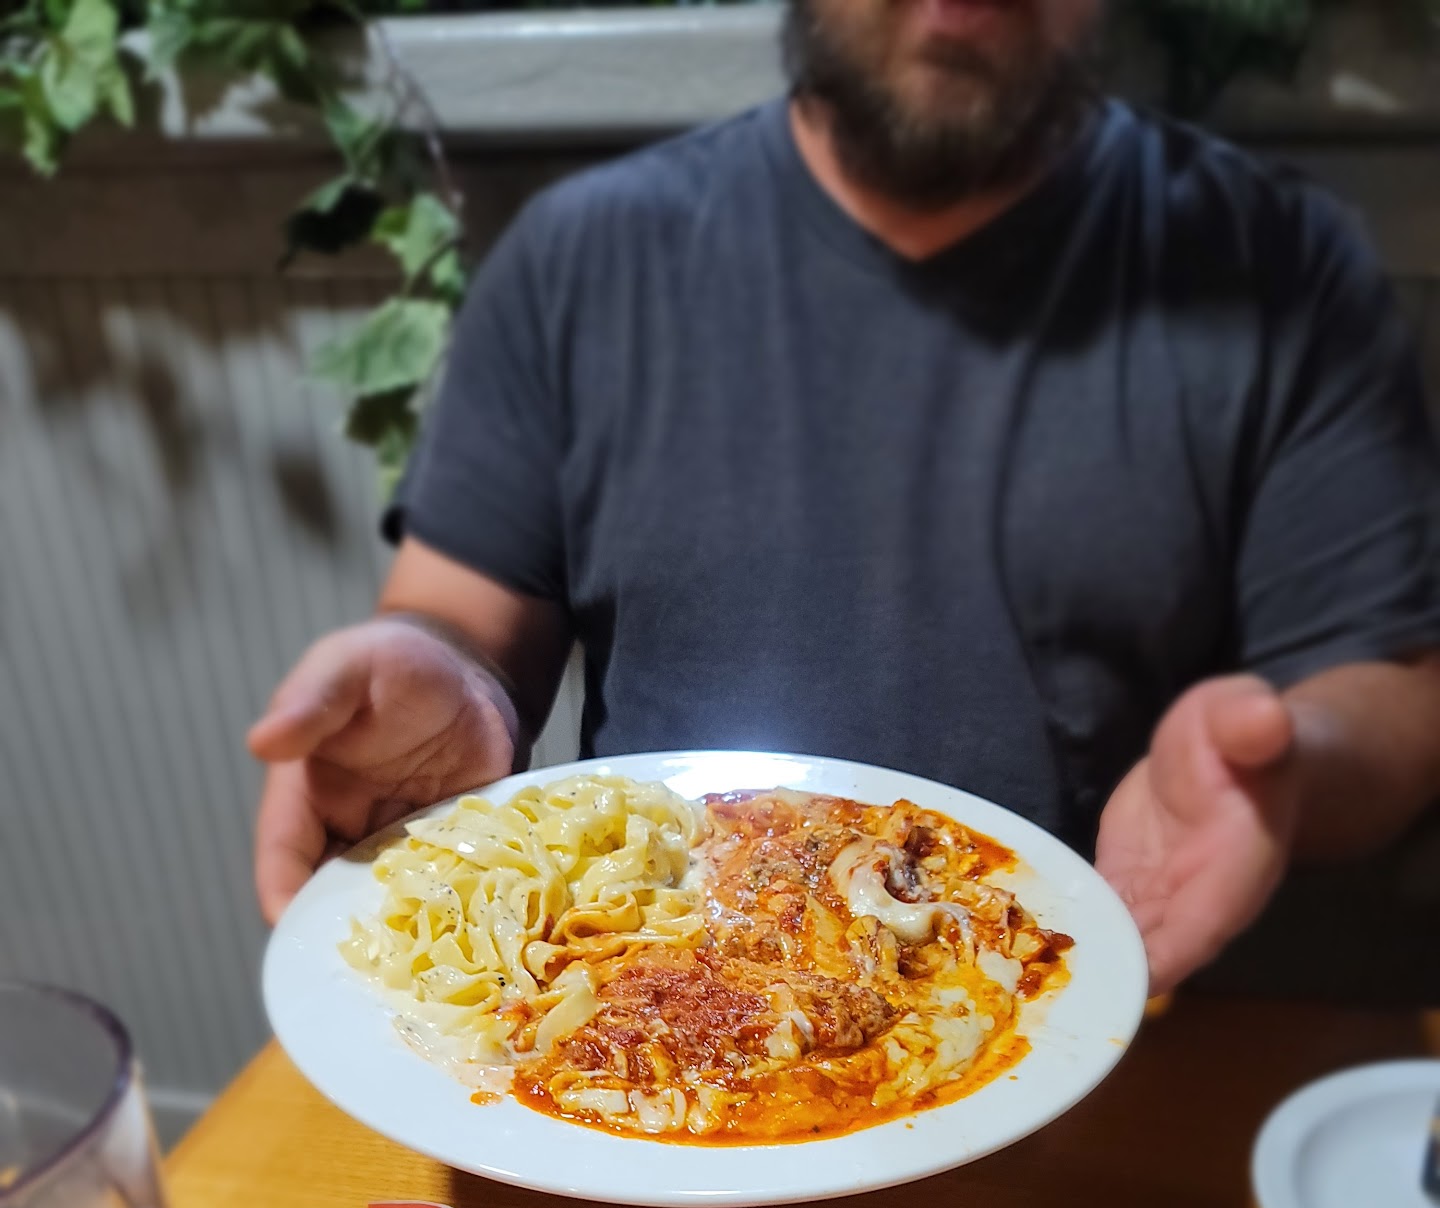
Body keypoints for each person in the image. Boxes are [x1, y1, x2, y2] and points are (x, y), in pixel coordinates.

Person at [249, 0, 1440, 993]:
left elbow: (1388, 683)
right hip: (641, 1039)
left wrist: (1278, 764)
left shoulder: (1276, 262)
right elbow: (459, 620)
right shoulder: (580, 256)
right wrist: (442, 680)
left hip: (1110, 1026)